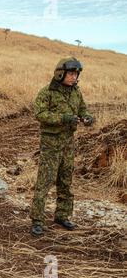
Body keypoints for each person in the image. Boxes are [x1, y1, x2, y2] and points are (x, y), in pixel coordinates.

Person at [31, 57, 94, 236]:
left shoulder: (76, 92)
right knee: (44, 182)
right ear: (61, 74)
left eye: (76, 74)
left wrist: (88, 117)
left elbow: (83, 109)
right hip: (51, 144)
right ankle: (37, 220)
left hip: (68, 143)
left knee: (66, 181)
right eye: (72, 73)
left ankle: (62, 215)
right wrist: (63, 118)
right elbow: (40, 113)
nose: (75, 77)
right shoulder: (48, 92)